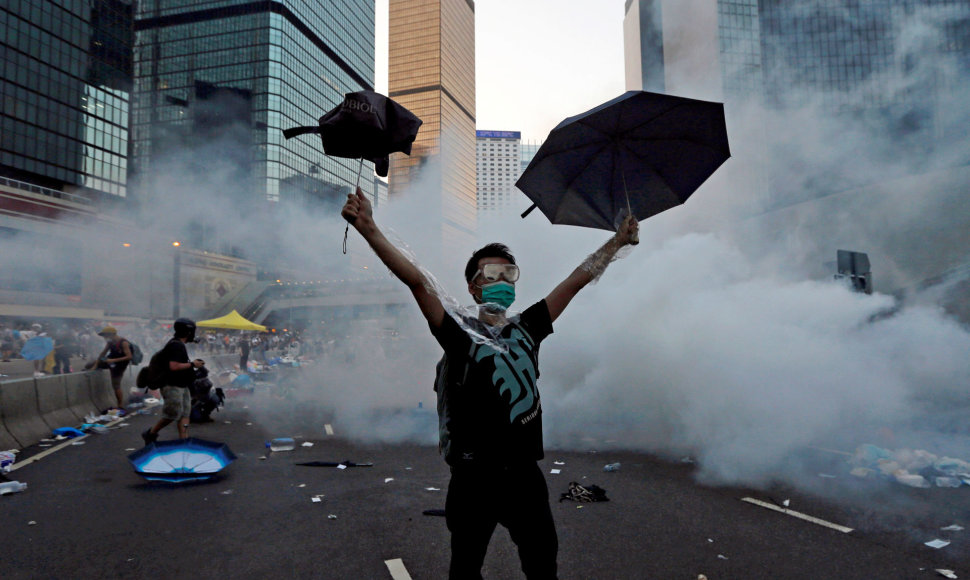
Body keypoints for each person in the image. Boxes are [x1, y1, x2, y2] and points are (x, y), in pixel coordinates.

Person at [341, 187, 638, 579]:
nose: (502, 280)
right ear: (473, 286)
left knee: (542, 564)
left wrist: (616, 243)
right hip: (472, 476)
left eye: (509, 273)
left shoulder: (529, 328)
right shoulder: (459, 334)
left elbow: (576, 280)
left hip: (524, 475)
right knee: (465, 569)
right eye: (492, 273)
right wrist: (369, 230)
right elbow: (417, 281)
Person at [142, 318, 204, 444]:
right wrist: (193, 364)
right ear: (188, 332)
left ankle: (184, 441)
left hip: (182, 385)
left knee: (185, 414)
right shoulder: (176, 345)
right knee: (172, 414)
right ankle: (151, 433)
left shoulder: (177, 344)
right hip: (172, 385)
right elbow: (173, 366)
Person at [85, 326, 132, 409]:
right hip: (110, 361)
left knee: (116, 385)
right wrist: (95, 365)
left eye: (106, 336)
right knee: (89, 365)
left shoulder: (123, 342)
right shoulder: (110, 342)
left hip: (120, 365)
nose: (104, 338)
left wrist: (114, 360)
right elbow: (103, 354)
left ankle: (120, 405)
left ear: (112, 335)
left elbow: (129, 356)